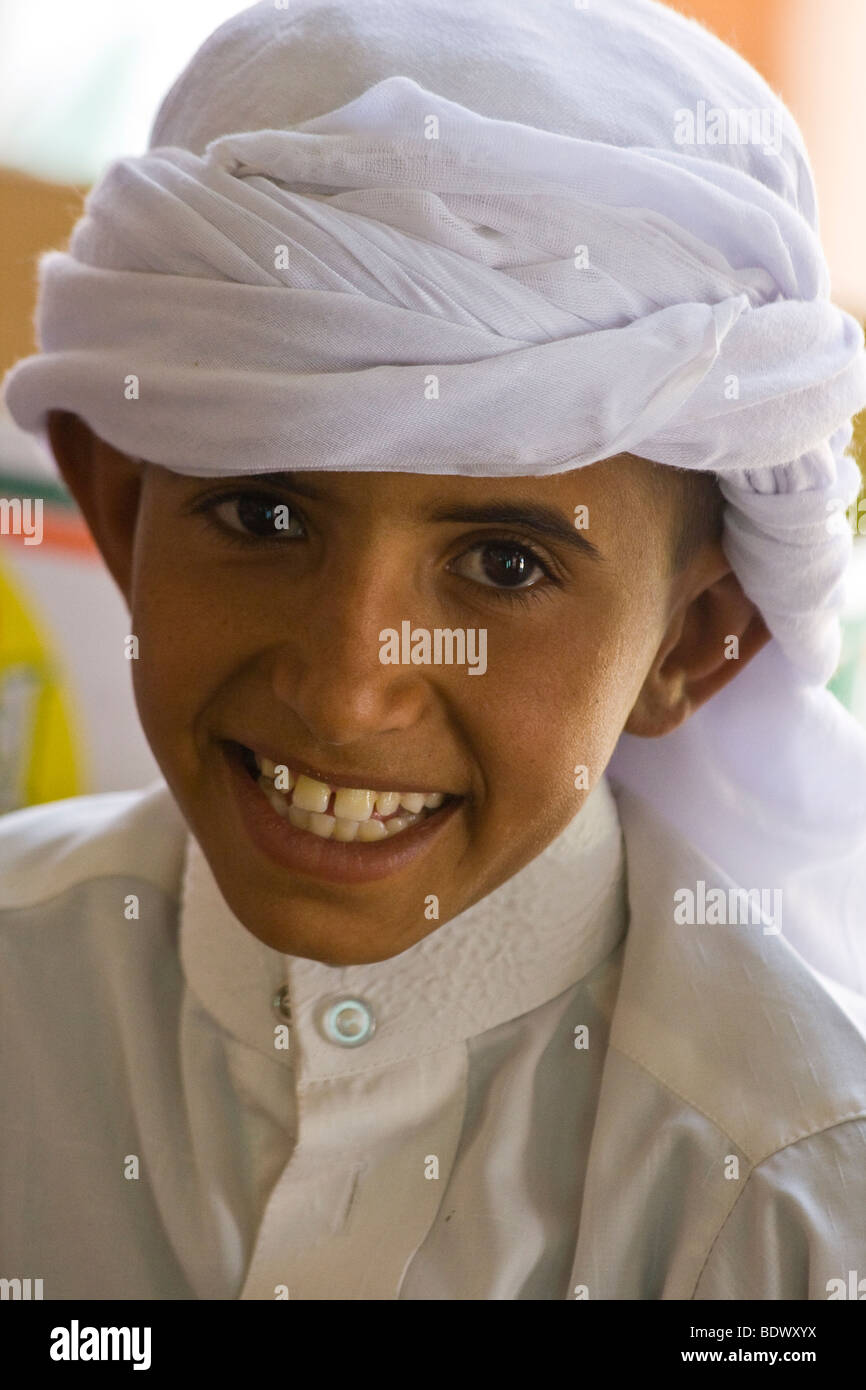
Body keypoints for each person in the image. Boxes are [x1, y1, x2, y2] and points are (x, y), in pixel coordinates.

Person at [2, 0, 866, 1300]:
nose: (347, 689)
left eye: (505, 563)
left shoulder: (793, 1215)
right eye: (263, 513)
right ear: (121, 512)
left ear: (695, 638)